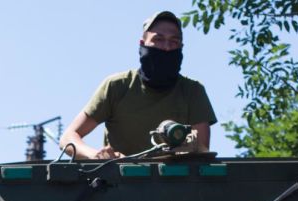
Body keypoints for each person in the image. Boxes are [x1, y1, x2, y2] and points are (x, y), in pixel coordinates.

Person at [59, 11, 218, 160]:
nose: (166, 47)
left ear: (181, 47)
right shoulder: (117, 86)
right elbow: (68, 137)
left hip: (173, 185)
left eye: (173, 41)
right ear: (143, 44)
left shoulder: (192, 91)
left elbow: (201, 147)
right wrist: (95, 155)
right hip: (119, 185)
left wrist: (172, 150)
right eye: (158, 39)